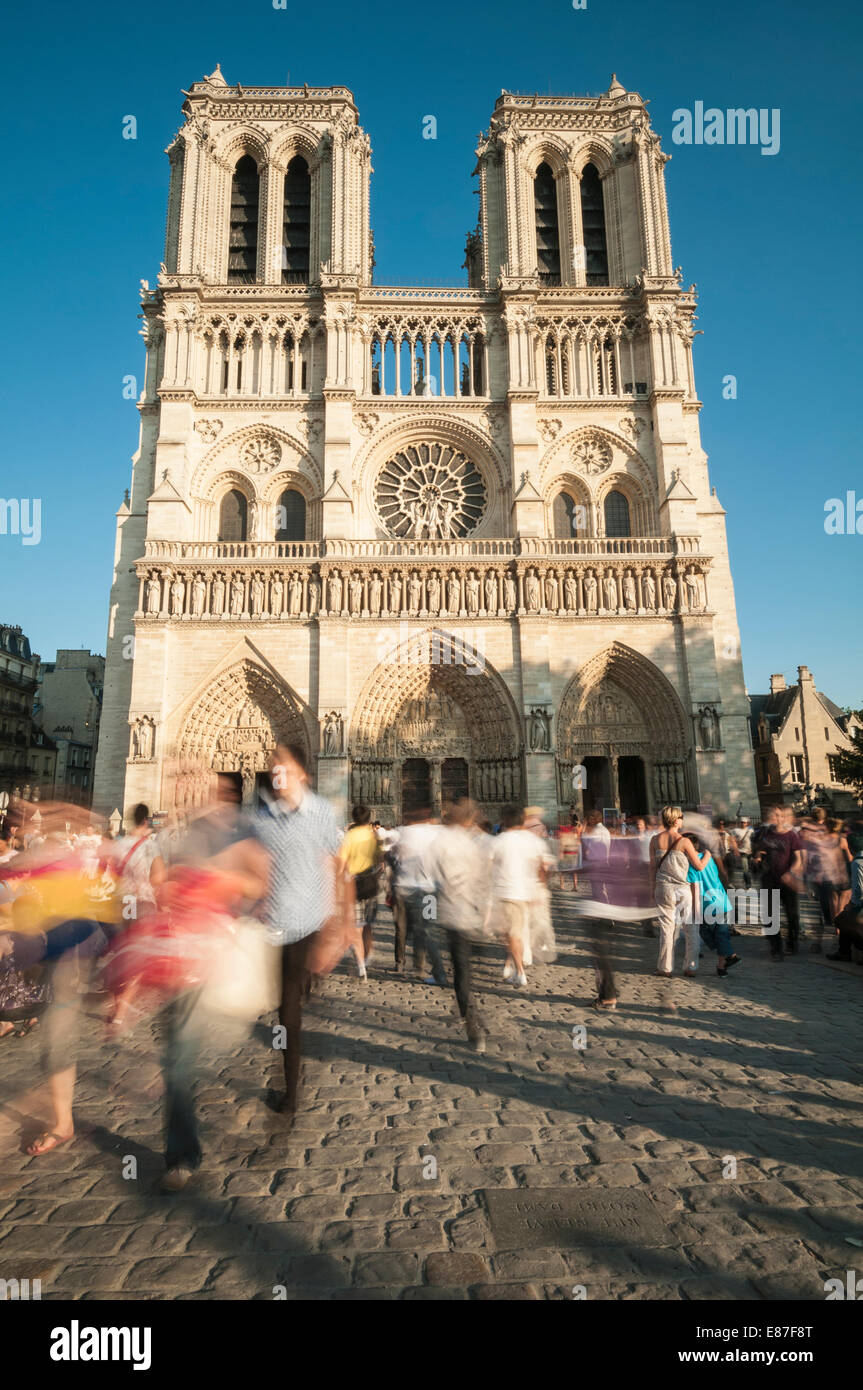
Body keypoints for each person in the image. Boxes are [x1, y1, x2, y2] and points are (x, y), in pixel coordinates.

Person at [254, 744, 342, 1122]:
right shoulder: (262, 818)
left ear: (302, 773)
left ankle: (290, 1091)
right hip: (276, 923)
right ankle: (290, 1083)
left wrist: (339, 924)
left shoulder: (322, 812)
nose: (278, 774)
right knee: (284, 1009)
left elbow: (340, 866)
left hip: (310, 922)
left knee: (288, 1008)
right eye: (273, 768)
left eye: (284, 768)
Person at [426, 798, 487, 1051]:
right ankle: (471, 1012)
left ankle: (472, 1023)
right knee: (470, 970)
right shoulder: (475, 843)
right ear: (469, 820)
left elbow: (430, 875)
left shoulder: (440, 842)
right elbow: (484, 878)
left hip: (452, 913)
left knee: (462, 971)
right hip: (474, 915)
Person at [649, 805, 711, 977]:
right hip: (682, 889)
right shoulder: (684, 841)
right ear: (677, 820)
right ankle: (690, 966)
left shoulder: (654, 840)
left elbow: (652, 867)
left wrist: (651, 888)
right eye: (681, 817)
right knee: (690, 927)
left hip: (663, 887)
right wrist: (707, 855)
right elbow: (698, 867)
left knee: (667, 929)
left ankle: (665, 967)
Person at [490, 804, 546, 988]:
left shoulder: (499, 841)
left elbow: (487, 866)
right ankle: (511, 964)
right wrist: (538, 887)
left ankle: (520, 972)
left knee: (512, 934)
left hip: (508, 893)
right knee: (515, 933)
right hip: (526, 893)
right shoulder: (530, 840)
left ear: (504, 821)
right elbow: (542, 865)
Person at [391, 808, 445, 983]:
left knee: (401, 928)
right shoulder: (436, 833)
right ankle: (419, 968)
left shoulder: (400, 832)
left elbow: (388, 853)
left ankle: (399, 962)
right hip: (428, 890)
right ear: (428, 818)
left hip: (402, 888)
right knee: (426, 930)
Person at [752, 805, 805, 960]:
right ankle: (776, 949)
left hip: (788, 881)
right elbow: (759, 852)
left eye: (778, 815)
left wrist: (791, 873)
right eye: (772, 814)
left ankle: (792, 943)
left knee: (792, 915)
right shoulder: (765, 835)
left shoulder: (791, 836)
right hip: (769, 880)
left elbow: (798, 859)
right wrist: (757, 858)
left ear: (783, 818)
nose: (774, 817)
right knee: (770, 916)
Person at [687, 834, 741, 977]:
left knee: (708, 934)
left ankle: (731, 954)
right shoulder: (708, 859)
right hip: (720, 900)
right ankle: (722, 966)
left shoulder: (690, 865)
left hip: (706, 904)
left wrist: (694, 908)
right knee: (721, 933)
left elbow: (694, 887)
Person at [338, 805, 381, 977]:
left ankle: (361, 964)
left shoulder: (348, 837)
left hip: (354, 884)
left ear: (353, 817)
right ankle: (368, 953)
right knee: (368, 924)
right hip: (370, 884)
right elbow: (379, 859)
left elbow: (341, 862)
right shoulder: (373, 836)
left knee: (356, 925)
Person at [827, 820, 863, 961]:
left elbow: (859, 890)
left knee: (841, 920)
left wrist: (852, 905)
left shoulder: (857, 862)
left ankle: (847, 951)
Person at [732, 815, 754, 890]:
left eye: (744, 822)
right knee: (745, 869)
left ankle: (746, 880)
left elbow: (754, 840)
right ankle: (748, 884)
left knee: (750, 868)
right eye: (741, 822)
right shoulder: (735, 831)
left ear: (747, 823)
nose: (742, 824)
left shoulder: (751, 830)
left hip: (750, 851)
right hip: (742, 852)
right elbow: (732, 840)